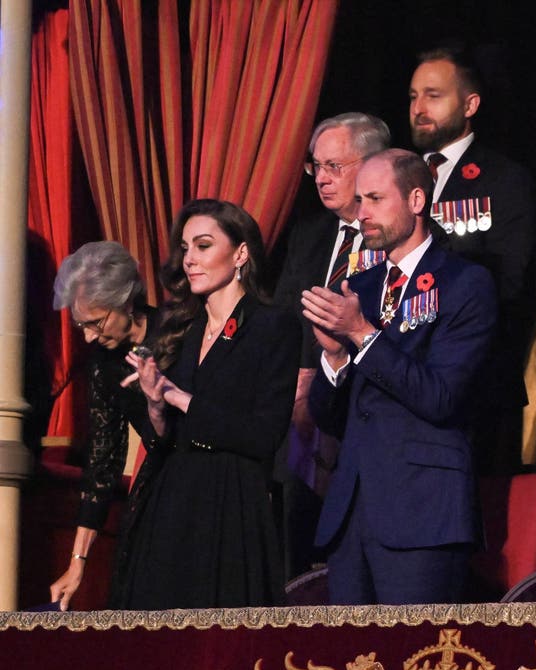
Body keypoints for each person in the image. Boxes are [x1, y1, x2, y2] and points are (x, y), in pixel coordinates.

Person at [303, 149, 497, 604]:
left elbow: (442, 397)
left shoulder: (464, 283)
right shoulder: (360, 288)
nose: (362, 213)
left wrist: (361, 334)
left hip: (422, 511)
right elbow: (329, 418)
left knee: (417, 657)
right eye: (359, 200)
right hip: (352, 511)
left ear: (415, 199)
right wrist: (333, 359)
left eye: (374, 199)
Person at [118, 199, 299, 609]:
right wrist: (155, 405)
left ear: (240, 254)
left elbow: (263, 436)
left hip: (232, 501)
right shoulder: (179, 328)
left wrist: (179, 397)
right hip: (173, 497)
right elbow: (161, 439)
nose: (189, 260)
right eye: (185, 248)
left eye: (202, 246)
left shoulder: (272, 325)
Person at [409, 46, 536, 475]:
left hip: (473, 382)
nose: (419, 108)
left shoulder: (504, 178)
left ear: (470, 104)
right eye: (413, 97)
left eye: (433, 95)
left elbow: (510, 280)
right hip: (401, 379)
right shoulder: (397, 174)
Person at [273, 112, 391, 580]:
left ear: (372, 164)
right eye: (315, 167)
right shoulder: (310, 234)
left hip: (369, 407)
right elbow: (284, 317)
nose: (321, 178)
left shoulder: (396, 235)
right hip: (304, 408)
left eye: (333, 167)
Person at [47, 242, 158, 609]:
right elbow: (102, 467)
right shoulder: (104, 365)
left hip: (207, 484)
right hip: (155, 488)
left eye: (95, 323)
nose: (89, 336)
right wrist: (77, 563)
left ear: (126, 302)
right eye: (81, 325)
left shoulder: (179, 333)